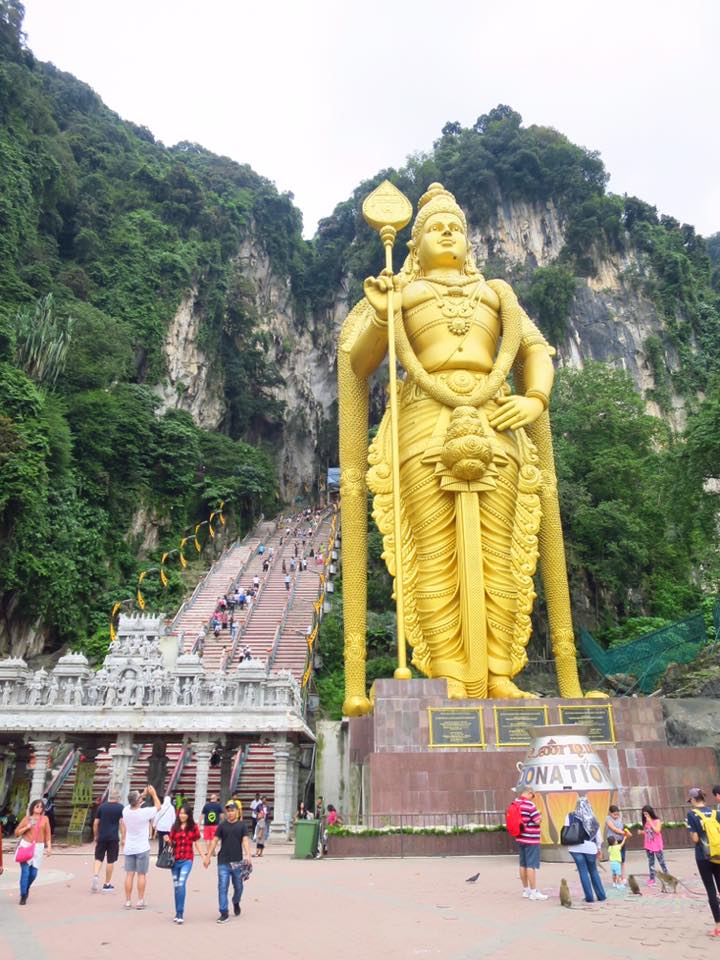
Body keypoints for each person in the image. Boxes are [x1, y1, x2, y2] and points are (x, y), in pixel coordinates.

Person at [339, 182, 586, 707]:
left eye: (456, 227)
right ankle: (450, 674)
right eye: (436, 228)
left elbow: (535, 351)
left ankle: (498, 672)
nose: (448, 233)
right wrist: (383, 315)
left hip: (496, 418)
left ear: (469, 242)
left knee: (501, 555)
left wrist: (536, 399)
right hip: (424, 423)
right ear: (416, 244)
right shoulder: (401, 293)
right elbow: (357, 361)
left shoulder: (496, 294)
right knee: (432, 554)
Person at [204, 800, 252, 923]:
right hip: (223, 861)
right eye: (228, 811)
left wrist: (248, 855)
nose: (230, 813)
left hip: (237, 862)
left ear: (237, 811)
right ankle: (224, 912)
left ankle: (236, 902)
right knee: (222, 887)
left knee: (239, 886)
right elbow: (214, 841)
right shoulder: (222, 826)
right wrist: (208, 856)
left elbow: (245, 840)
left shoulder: (242, 825)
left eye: (232, 810)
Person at [121, 785, 161, 909]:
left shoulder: (126, 811)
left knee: (129, 875)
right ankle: (140, 900)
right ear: (139, 801)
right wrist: (153, 794)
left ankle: (128, 901)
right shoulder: (144, 812)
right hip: (142, 848)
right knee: (141, 875)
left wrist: (142, 794)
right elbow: (158, 807)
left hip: (129, 847)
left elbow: (134, 802)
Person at [687, 787, 720, 938]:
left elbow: (695, 839)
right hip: (718, 855)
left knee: (711, 890)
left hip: (703, 856)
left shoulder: (692, 814)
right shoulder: (715, 813)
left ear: (693, 800)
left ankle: (718, 927)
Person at [166, 803, 205, 924]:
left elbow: (197, 842)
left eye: (185, 813)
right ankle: (177, 912)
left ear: (189, 815)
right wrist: (168, 841)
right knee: (176, 886)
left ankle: (180, 912)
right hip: (175, 860)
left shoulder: (193, 827)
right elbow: (172, 844)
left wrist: (204, 856)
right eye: (181, 813)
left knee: (182, 883)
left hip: (187, 859)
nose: (182, 815)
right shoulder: (174, 827)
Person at [564, 795, 606, 904]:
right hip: (590, 847)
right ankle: (601, 896)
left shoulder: (569, 816)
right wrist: (599, 848)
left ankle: (589, 897)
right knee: (593, 870)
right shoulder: (592, 817)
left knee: (582, 871)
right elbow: (598, 835)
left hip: (574, 847)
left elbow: (566, 829)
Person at [14, 798, 52, 905]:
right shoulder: (27, 819)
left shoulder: (45, 819)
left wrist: (49, 847)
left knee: (33, 873)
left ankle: (26, 887)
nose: (39, 808)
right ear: (32, 807)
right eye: (37, 806)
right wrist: (27, 827)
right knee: (25, 872)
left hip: (38, 848)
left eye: (41, 807)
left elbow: (48, 834)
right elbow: (16, 833)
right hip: (26, 846)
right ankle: (23, 895)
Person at [514, 788, 547, 900]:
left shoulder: (516, 803)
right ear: (528, 793)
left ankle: (526, 890)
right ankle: (534, 892)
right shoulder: (529, 805)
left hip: (520, 838)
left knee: (522, 865)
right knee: (531, 866)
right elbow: (537, 821)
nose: (533, 798)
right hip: (531, 839)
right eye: (533, 796)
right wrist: (540, 817)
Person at [92, 789, 124, 892]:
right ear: (118, 798)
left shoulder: (102, 807)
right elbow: (122, 823)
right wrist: (124, 837)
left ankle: (96, 875)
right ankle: (107, 883)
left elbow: (96, 823)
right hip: (113, 837)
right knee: (111, 860)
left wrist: (96, 835)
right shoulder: (120, 808)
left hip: (102, 836)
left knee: (98, 858)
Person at [638, 804, 668, 885]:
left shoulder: (657, 821)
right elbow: (648, 832)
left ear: (650, 813)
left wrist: (650, 822)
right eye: (644, 814)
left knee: (662, 862)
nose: (645, 816)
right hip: (648, 845)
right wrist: (642, 832)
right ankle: (652, 879)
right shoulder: (645, 822)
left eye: (646, 814)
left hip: (657, 845)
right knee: (651, 862)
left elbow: (657, 830)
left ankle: (667, 877)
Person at [604, 804, 630, 883]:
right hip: (613, 842)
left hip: (620, 841)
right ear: (610, 813)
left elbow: (623, 827)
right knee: (615, 861)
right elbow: (614, 829)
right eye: (614, 814)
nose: (616, 816)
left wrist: (626, 833)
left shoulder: (620, 818)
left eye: (617, 814)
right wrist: (624, 833)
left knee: (622, 859)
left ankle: (623, 877)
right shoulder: (608, 819)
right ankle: (616, 878)